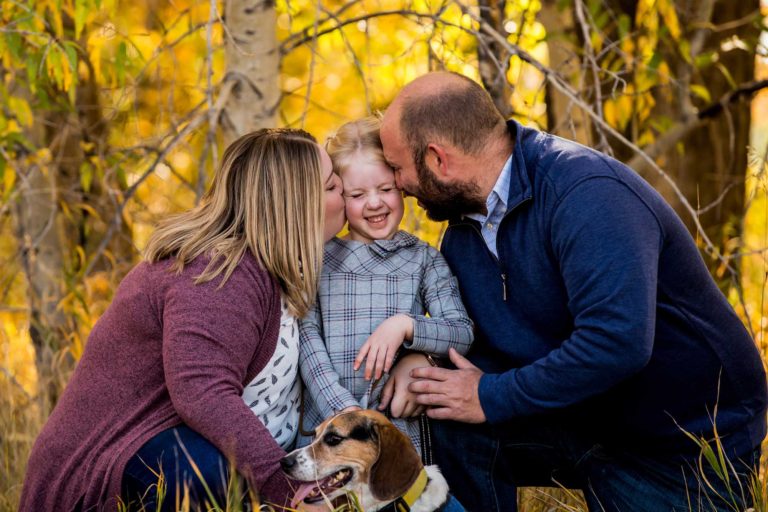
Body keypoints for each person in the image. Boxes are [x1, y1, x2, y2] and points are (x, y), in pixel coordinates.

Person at [377, 71, 768, 511]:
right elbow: (481, 344)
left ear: (437, 159)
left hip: (679, 442)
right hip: (580, 418)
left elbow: (616, 342)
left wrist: (489, 395)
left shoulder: (587, 194)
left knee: (474, 402)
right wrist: (422, 360)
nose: (397, 186)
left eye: (396, 167)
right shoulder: (464, 234)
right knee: (446, 409)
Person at [19, 128, 347, 512]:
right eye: (330, 186)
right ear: (295, 207)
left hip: (169, 446)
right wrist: (285, 488)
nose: (343, 188)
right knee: (205, 474)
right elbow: (202, 391)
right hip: (106, 466)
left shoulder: (290, 266)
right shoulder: (218, 272)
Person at [297, 117, 473, 456]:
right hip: (326, 425)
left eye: (385, 189)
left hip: (397, 432)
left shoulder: (424, 259)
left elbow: (461, 331)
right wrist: (345, 412)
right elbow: (307, 341)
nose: (374, 203)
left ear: (402, 185)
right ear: (338, 196)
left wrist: (406, 326)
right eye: (357, 194)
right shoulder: (318, 259)